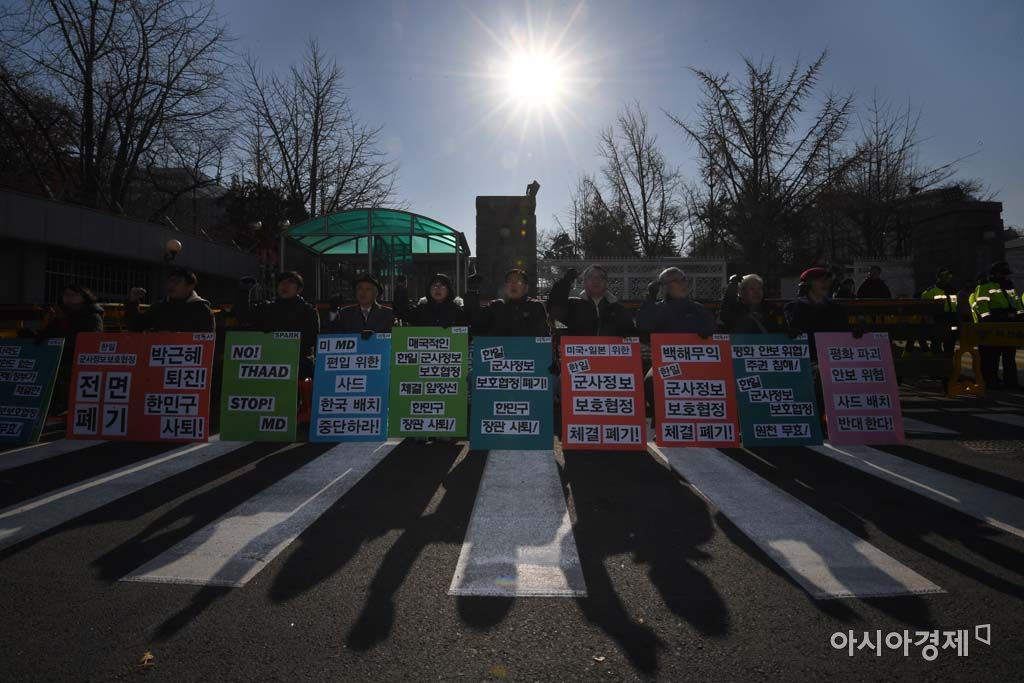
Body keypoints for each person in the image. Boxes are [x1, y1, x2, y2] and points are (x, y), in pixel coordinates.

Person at [636, 267, 715, 428]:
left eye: (684, 279)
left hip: (698, 363)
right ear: (664, 287)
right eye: (676, 281)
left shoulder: (697, 308)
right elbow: (643, 327)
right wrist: (650, 298)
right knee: (651, 381)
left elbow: (712, 331)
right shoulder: (657, 308)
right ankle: (663, 421)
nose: (683, 284)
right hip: (667, 364)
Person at [30, 284, 104, 414]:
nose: (68, 298)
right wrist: (34, 337)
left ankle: (61, 405)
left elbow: (92, 339)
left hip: (78, 359)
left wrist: (64, 341)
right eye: (66, 295)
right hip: (59, 356)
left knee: (62, 372)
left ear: (84, 297)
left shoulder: (92, 315)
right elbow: (48, 333)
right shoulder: (61, 314)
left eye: (73, 295)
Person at [234, 270, 320, 377]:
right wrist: (244, 291)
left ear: (299, 289)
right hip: (268, 366)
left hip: (299, 367)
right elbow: (244, 317)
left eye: (290, 282)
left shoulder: (308, 310)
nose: (285, 285)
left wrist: (284, 342)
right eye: (281, 282)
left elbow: (312, 338)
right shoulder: (267, 308)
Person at [547, 265, 636, 337]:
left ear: (606, 283)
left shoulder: (619, 310)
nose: (596, 280)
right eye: (591, 277)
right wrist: (565, 282)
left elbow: (631, 334)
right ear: (584, 283)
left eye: (601, 277)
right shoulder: (573, 306)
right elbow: (554, 309)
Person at [972, 261, 1020, 390]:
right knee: (992, 356)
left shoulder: (1008, 286)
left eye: (1006, 274)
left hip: (1009, 324)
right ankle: (991, 381)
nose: (1005, 277)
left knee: (1009, 355)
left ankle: (1011, 383)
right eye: (1003, 274)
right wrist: (989, 321)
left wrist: (1020, 316)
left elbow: (1016, 303)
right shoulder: (985, 286)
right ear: (995, 274)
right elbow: (982, 306)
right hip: (993, 324)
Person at [464, 268, 550, 337]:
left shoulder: (535, 307)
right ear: (505, 287)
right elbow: (476, 322)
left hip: (528, 352)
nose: (513, 284)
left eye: (518, 282)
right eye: (510, 281)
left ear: (526, 288)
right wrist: (472, 291)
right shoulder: (496, 306)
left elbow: (543, 337)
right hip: (500, 352)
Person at [784, 267, 850, 354]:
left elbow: (843, 332)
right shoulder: (794, 307)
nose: (826, 284)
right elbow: (795, 331)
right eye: (822, 281)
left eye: (828, 281)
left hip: (831, 354)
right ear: (808, 285)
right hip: (808, 355)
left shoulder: (838, 309)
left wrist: (854, 334)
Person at [126, 267, 214, 333]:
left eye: (176, 282)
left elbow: (207, 340)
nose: (171, 285)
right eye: (169, 281)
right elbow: (136, 326)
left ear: (190, 286)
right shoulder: (159, 307)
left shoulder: (201, 309)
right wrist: (132, 302)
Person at [331, 274, 396, 335]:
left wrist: (375, 337)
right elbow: (333, 336)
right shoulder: (344, 314)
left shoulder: (388, 314)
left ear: (376, 294)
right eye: (360, 288)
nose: (363, 292)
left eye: (368, 289)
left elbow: (396, 339)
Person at [920, 267, 959, 354]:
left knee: (950, 343)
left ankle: (948, 360)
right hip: (938, 320)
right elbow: (924, 307)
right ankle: (937, 360)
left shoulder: (953, 290)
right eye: (945, 275)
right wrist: (929, 319)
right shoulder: (931, 291)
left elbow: (956, 306)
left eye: (949, 275)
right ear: (939, 277)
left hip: (951, 319)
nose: (948, 277)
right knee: (936, 344)